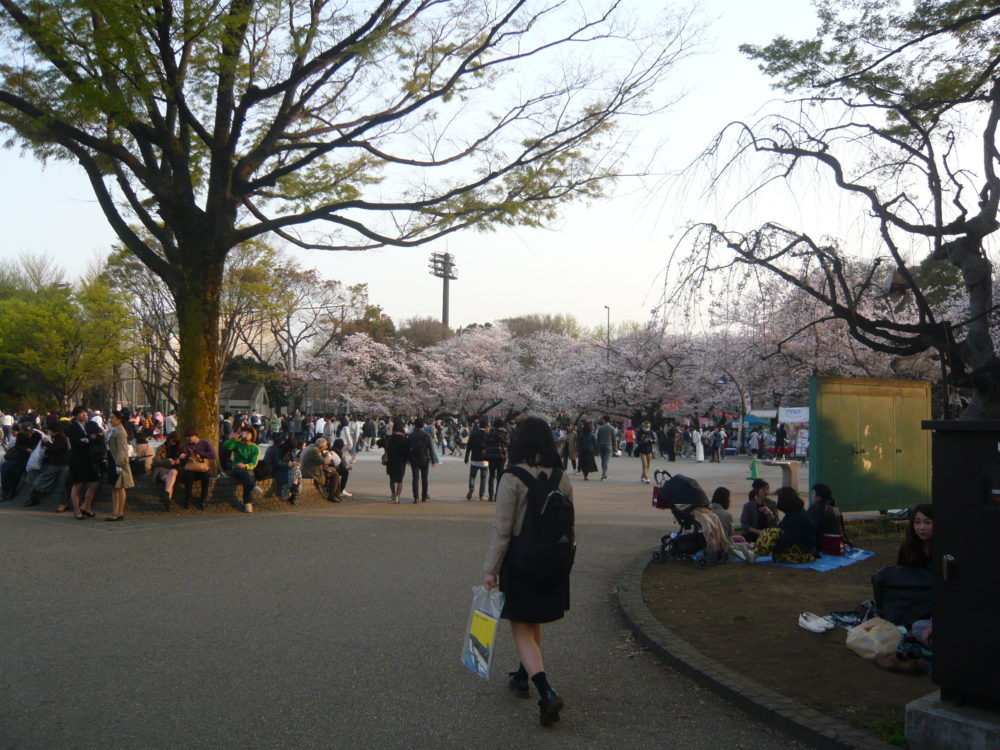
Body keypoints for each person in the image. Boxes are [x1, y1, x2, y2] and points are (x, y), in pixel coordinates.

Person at [483, 416, 573, 727]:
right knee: (533, 620)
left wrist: (490, 570)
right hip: (554, 560)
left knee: (521, 627)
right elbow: (569, 524)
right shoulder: (561, 476)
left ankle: (545, 691)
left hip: (521, 561)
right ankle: (523, 674)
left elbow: (502, 530)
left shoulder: (513, 477)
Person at [754, 487, 817, 563]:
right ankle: (755, 551)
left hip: (803, 554)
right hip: (796, 549)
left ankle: (755, 553)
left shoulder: (798, 516)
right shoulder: (792, 514)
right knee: (770, 531)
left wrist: (774, 548)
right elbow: (780, 528)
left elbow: (790, 538)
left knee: (772, 533)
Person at [66, 405, 104, 519]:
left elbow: (99, 437)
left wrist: (89, 439)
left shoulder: (91, 424)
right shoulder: (71, 427)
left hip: (89, 457)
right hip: (76, 458)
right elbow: (76, 442)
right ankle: (77, 510)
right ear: (76, 415)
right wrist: (90, 438)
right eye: (82, 413)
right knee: (77, 484)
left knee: (94, 482)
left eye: (85, 413)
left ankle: (86, 506)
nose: (85, 415)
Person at [23, 418, 69, 507]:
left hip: (58, 464)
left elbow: (56, 449)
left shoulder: (61, 438)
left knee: (39, 481)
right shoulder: (56, 437)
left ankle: (34, 498)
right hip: (53, 462)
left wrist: (47, 443)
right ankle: (33, 497)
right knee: (33, 474)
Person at [222, 427, 262, 512]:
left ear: (252, 435)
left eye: (248, 433)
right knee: (242, 473)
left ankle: (247, 503)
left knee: (248, 477)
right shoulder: (237, 443)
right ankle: (253, 486)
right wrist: (236, 438)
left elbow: (254, 462)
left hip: (247, 469)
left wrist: (246, 465)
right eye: (244, 432)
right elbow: (226, 446)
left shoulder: (255, 448)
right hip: (236, 468)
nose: (246, 434)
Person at [178, 428, 218, 510]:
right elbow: (182, 461)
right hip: (191, 467)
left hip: (203, 467)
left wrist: (200, 454)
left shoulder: (205, 443)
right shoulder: (186, 446)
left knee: (206, 476)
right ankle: (187, 498)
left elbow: (213, 455)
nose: (189, 439)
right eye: (187, 438)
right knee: (188, 475)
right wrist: (183, 457)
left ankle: (203, 500)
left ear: (196, 436)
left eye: (190, 437)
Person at [105, 410, 133, 521]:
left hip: (118, 461)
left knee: (119, 487)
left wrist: (119, 465)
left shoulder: (121, 431)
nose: (110, 419)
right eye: (110, 417)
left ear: (119, 419)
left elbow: (122, 449)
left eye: (113, 418)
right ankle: (115, 512)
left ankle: (119, 512)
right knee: (114, 487)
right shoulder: (113, 429)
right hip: (112, 459)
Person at [808, 483, 850, 550]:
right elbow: (841, 529)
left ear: (819, 497)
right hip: (837, 544)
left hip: (822, 547)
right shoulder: (835, 508)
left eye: (813, 493)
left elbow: (810, 529)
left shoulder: (815, 508)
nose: (812, 496)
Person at [299, 437, 341, 501]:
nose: (326, 448)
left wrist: (328, 468)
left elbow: (318, 462)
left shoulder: (311, 447)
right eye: (325, 446)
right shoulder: (314, 451)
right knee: (335, 475)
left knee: (334, 473)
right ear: (321, 446)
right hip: (310, 472)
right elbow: (323, 461)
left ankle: (336, 494)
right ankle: (332, 496)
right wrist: (331, 459)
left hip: (308, 469)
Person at [152, 431, 184, 509]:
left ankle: (166, 496)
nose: (174, 444)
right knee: (170, 479)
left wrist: (178, 461)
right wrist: (167, 461)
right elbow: (156, 462)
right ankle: (167, 499)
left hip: (174, 470)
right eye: (173, 442)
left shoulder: (179, 449)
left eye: (176, 442)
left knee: (172, 473)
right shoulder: (161, 448)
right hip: (162, 470)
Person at [739, 479, 776, 543]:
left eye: (767, 489)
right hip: (751, 536)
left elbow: (775, 522)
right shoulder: (748, 506)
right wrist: (759, 532)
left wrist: (770, 513)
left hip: (768, 536)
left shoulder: (772, 504)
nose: (766, 492)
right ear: (757, 490)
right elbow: (745, 525)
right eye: (763, 489)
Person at [407, 417, 435, 502]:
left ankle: (416, 497)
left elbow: (407, 448)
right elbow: (431, 449)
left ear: (415, 425)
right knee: (424, 478)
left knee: (415, 478)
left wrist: (408, 458)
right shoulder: (426, 435)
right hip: (424, 458)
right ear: (423, 425)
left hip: (414, 458)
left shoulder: (411, 435)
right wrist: (433, 460)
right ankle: (424, 496)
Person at [264, 437, 300, 502]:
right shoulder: (275, 450)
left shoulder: (285, 450)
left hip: (281, 468)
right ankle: (293, 491)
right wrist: (290, 464)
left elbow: (288, 460)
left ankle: (294, 487)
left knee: (297, 470)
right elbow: (277, 463)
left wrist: (292, 463)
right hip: (273, 469)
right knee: (295, 472)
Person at [383, 419, 409, 503]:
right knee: (400, 480)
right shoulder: (404, 438)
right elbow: (407, 451)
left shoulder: (390, 438)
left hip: (391, 460)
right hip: (401, 461)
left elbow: (387, 448)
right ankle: (398, 496)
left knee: (392, 479)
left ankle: (393, 494)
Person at [484, 418, 509, 501]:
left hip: (491, 456)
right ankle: (497, 496)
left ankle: (490, 496)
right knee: (499, 477)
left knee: (491, 476)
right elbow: (507, 444)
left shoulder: (489, 433)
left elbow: (485, 443)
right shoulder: (505, 433)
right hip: (501, 457)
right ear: (502, 426)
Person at [464, 418, 489, 501]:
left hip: (474, 459)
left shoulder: (473, 434)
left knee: (472, 477)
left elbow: (468, 447)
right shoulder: (487, 435)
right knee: (483, 478)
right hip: (485, 461)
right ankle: (481, 495)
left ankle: (471, 488)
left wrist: (466, 458)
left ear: (479, 425)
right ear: (486, 426)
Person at [595, 416, 615, 480]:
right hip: (608, 445)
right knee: (606, 460)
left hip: (601, 445)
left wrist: (597, 447)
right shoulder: (612, 428)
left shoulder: (600, 428)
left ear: (604, 420)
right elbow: (613, 439)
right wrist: (615, 447)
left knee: (603, 460)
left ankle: (604, 474)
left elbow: (597, 438)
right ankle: (604, 475)